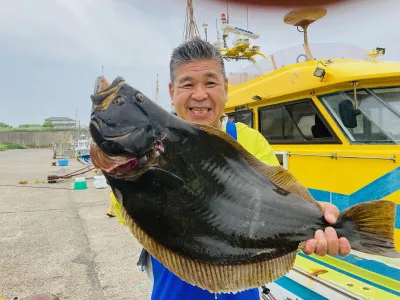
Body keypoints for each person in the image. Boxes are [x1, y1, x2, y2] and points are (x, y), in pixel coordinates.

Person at [110, 37, 351, 300]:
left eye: (210, 83)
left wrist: (317, 217)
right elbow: (128, 213)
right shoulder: (150, 146)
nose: (200, 95)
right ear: (172, 92)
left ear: (225, 88)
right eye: (187, 84)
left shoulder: (249, 140)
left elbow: (280, 196)